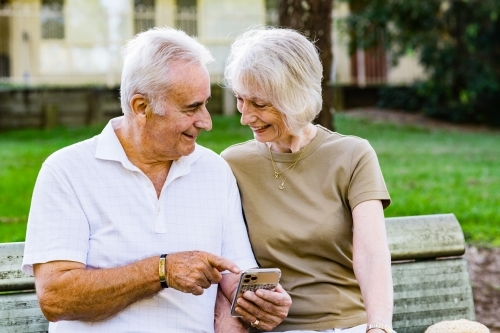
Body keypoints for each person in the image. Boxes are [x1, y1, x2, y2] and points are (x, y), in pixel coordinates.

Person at [21, 27, 291, 333]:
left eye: (205, 104)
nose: (206, 122)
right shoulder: (67, 171)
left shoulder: (214, 171)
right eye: (191, 108)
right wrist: (161, 271)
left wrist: (259, 301)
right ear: (141, 108)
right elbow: (56, 298)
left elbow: (236, 273)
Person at [219, 27, 395, 333]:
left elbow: (372, 254)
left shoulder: (352, 155)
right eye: (240, 100)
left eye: (259, 104)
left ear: (296, 98)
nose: (245, 117)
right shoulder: (232, 165)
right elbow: (225, 261)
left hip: (352, 326)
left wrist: (378, 327)